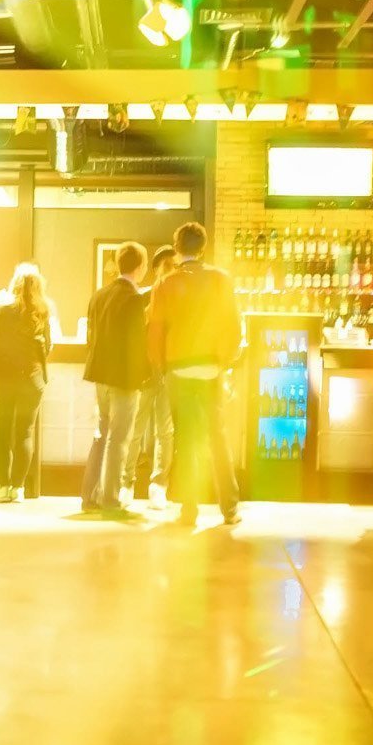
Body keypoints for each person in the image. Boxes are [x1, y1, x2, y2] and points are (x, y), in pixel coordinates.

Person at [148, 222, 241, 528]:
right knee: (217, 437)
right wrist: (225, 361)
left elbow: (156, 329)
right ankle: (229, 509)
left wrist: (160, 366)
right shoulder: (221, 280)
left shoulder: (165, 284)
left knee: (186, 440)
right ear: (203, 248)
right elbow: (233, 325)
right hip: (211, 368)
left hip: (179, 369)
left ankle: (189, 511)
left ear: (177, 249)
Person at [80, 241, 150, 518]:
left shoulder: (99, 295)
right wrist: (144, 375)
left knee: (101, 436)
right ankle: (110, 500)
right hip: (124, 378)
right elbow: (137, 344)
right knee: (118, 440)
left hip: (100, 377)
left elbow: (91, 336)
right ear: (141, 267)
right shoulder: (134, 299)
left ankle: (89, 497)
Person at [0, 264, 52, 504]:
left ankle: (3, 487)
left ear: (14, 284)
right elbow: (47, 346)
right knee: (24, 433)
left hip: (4, 378)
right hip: (32, 379)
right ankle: (18, 487)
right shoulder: (43, 312)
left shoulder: (0, 311)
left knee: (2, 432)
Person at [121, 245, 177, 509]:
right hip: (144, 372)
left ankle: (159, 486)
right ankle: (126, 483)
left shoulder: (179, 298)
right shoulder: (141, 297)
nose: (171, 271)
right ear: (155, 269)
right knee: (136, 429)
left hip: (168, 370)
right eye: (167, 266)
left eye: (174, 266)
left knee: (165, 431)